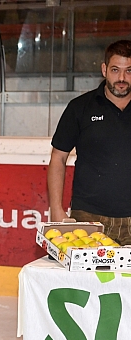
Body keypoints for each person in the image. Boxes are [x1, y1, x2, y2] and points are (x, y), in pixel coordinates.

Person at [48, 39, 131, 246]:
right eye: (115, 70)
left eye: (129, 71)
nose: (122, 78)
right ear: (104, 69)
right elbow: (58, 157)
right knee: (84, 280)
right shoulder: (80, 108)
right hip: (88, 219)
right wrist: (56, 209)